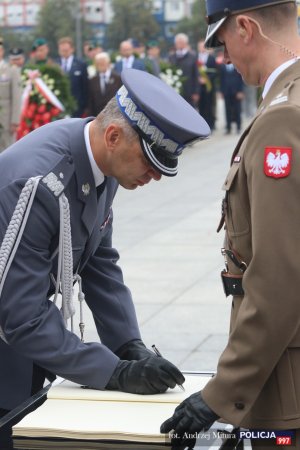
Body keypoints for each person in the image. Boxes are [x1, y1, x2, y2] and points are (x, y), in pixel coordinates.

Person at [0, 68, 210, 447]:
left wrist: (129, 345)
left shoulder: (101, 161)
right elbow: (21, 316)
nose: (156, 177)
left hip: (24, 342)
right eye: (150, 162)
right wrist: (115, 372)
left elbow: (100, 261)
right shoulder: (39, 183)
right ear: (113, 136)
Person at [161, 0, 300, 449]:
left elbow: (279, 275)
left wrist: (223, 392)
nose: (223, 58)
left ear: (245, 27)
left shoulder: (282, 118)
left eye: (222, 43)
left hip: (285, 384)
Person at [57, 36, 89, 118]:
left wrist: (85, 106)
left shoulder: (81, 64)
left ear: (72, 49)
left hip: (77, 108)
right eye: (62, 50)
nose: (64, 52)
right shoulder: (55, 64)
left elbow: (85, 87)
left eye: (66, 50)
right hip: (59, 108)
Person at [0, 38, 22, 152]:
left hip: (6, 120)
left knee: (6, 150)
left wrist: (15, 121)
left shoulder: (11, 70)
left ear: (2, 51)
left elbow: (17, 97)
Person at [87, 52, 122, 116]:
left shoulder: (118, 78)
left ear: (108, 63)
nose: (100, 65)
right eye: (98, 63)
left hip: (114, 115)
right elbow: (91, 101)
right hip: (97, 116)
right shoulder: (93, 80)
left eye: (103, 63)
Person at [169, 33, 199, 107]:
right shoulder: (171, 57)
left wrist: (196, 92)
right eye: (177, 42)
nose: (179, 44)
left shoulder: (192, 56)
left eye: (181, 42)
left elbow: (196, 75)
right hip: (176, 93)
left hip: (189, 92)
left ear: (185, 43)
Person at [197, 39, 218, 130]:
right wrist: (199, 78)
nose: (201, 48)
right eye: (200, 46)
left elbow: (215, 71)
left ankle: (211, 124)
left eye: (203, 46)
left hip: (209, 87)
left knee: (210, 105)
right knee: (201, 106)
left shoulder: (211, 58)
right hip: (199, 87)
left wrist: (206, 79)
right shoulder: (196, 58)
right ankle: (203, 125)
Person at [219, 62, 244, 134]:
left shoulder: (237, 64)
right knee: (227, 110)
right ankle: (228, 127)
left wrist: (240, 91)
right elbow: (221, 79)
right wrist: (221, 91)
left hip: (236, 91)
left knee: (237, 109)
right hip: (226, 91)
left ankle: (238, 127)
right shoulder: (222, 66)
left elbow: (241, 78)